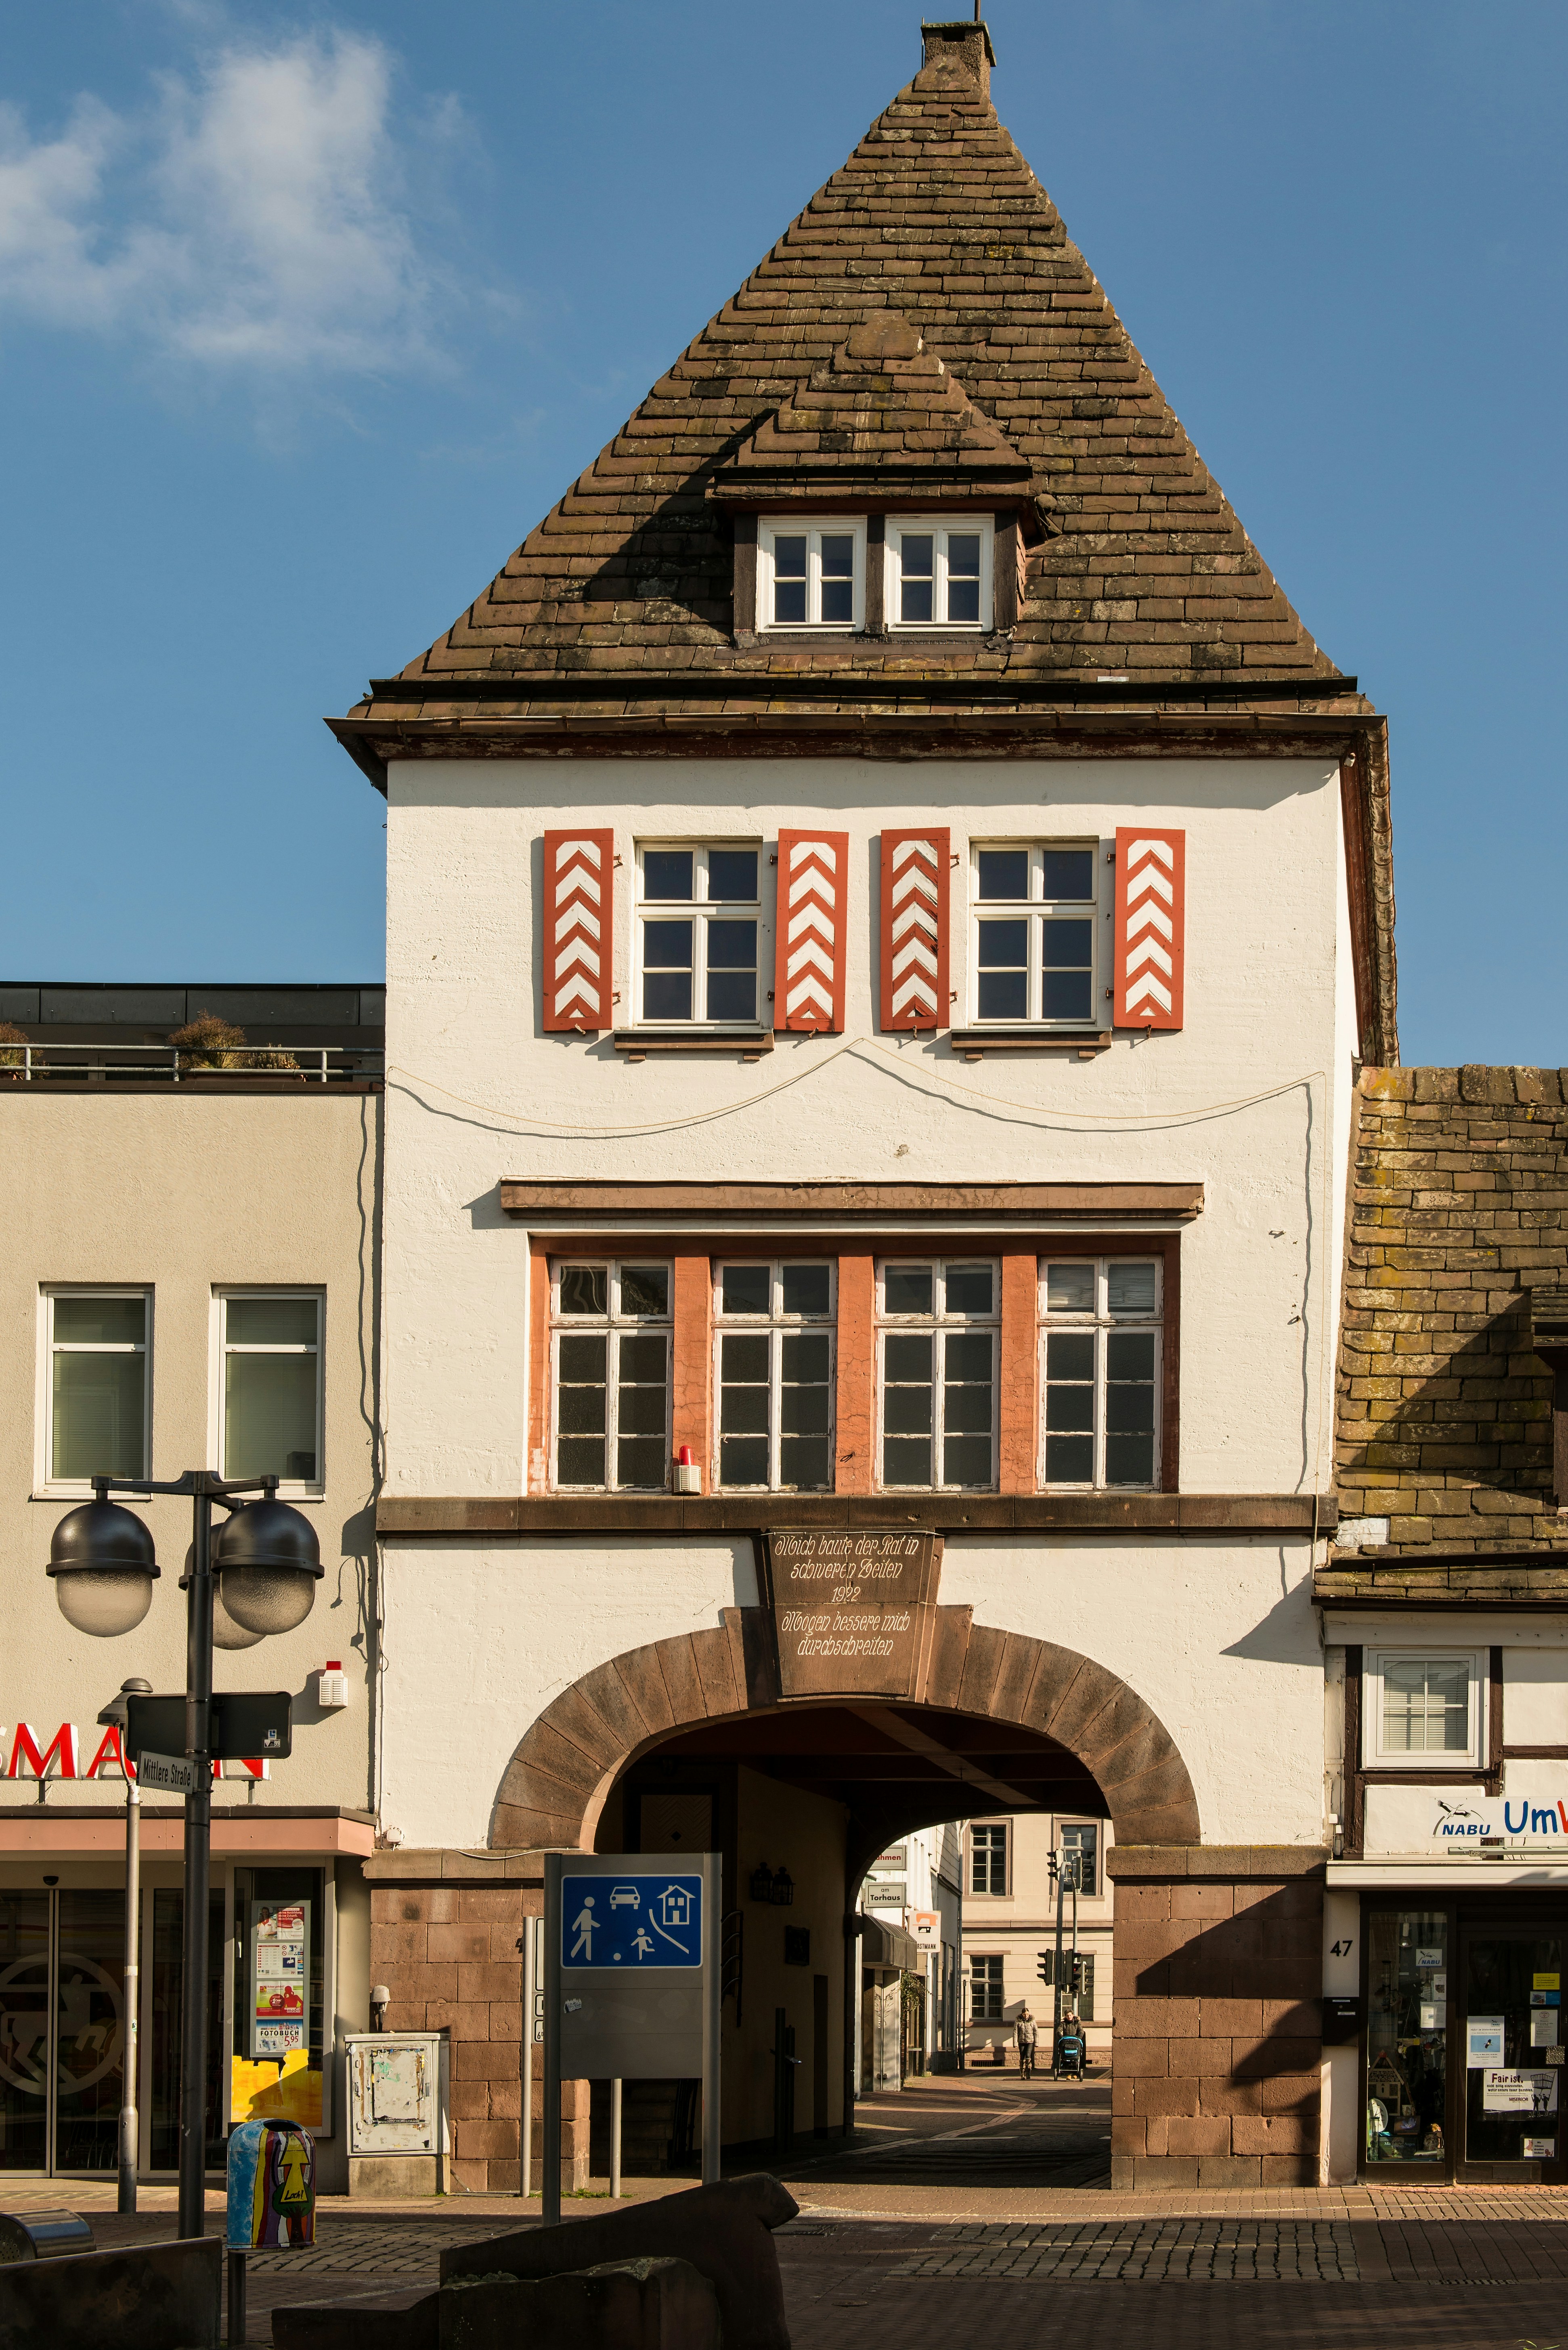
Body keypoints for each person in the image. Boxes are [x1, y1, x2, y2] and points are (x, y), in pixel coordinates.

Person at [1015, 2008, 1038, 2078]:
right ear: (1022, 2014)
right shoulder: (1018, 2021)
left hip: (1030, 2042)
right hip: (1021, 2041)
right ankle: (1022, 2073)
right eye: (1025, 2014)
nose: (1026, 2016)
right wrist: (1015, 2044)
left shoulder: (1032, 2021)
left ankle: (1028, 2072)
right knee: (1022, 2057)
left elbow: (1036, 2032)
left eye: (1027, 2014)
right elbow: (1015, 2033)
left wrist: (1036, 2043)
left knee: (1028, 2057)